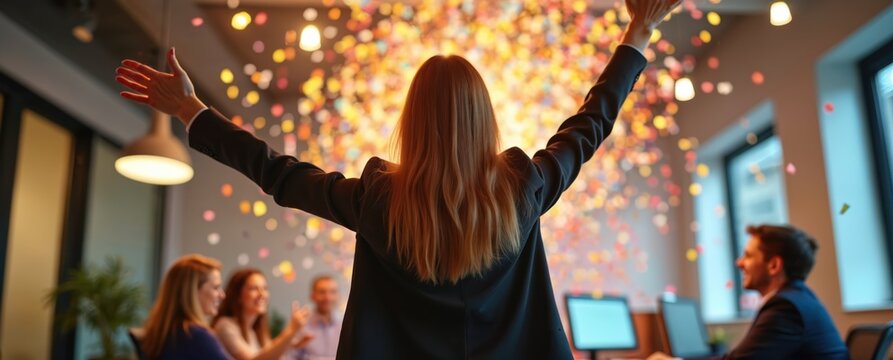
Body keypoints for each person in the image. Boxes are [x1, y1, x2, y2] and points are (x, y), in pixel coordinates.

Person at [114, 0, 680, 357]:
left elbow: (278, 174)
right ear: (485, 119)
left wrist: (192, 112)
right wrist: (637, 30)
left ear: (411, 123)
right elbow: (590, 124)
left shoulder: (378, 199)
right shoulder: (521, 188)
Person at [650, 225, 849, 360]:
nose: (739, 263)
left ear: (773, 265)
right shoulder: (799, 299)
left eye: (748, 255)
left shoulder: (786, 308)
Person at [140, 254, 230, 359]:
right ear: (192, 292)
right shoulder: (195, 335)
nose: (222, 295)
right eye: (216, 288)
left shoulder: (163, 333)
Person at [213, 268, 313, 360]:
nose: (262, 294)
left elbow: (270, 354)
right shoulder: (225, 326)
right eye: (254, 288)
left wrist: (290, 344)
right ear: (238, 295)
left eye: (265, 288)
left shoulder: (255, 331)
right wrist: (291, 330)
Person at [289, 275, 342, 360]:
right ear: (312, 296)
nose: (327, 297)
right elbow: (290, 357)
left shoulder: (347, 325)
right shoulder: (301, 324)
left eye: (333, 292)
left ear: (338, 296)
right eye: (322, 292)